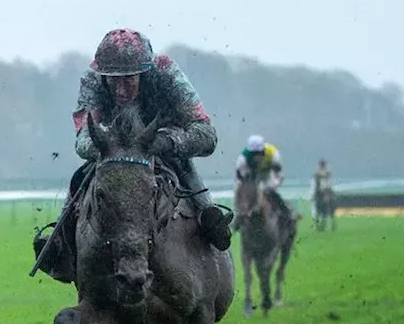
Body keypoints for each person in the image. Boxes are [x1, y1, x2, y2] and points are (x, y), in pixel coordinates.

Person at [32, 28, 232, 283]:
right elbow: (83, 140)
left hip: (161, 145)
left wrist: (166, 141)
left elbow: (206, 134)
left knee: (188, 173)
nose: (121, 89)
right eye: (114, 80)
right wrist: (112, 148)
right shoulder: (93, 76)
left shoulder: (165, 72)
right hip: (113, 149)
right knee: (81, 177)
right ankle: (60, 245)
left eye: (129, 80)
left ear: (144, 73)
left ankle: (210, 222)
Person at [235, 135, 298, 228]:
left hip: (269, 173)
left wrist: (274, 184)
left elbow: (278, 173)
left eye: (259, 154)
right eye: (253, 154)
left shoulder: (273, 153)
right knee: (243, 192)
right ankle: (240, 216)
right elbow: (239, 176)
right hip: (252, 174)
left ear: (263, 151)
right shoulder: (243, 159)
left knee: (270, 190)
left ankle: (287, 213)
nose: (256, 157)